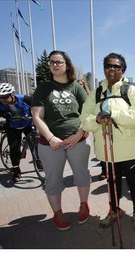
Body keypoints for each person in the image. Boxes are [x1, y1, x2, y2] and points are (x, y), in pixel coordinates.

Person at [80, 52, 135, 231]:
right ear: (104, 69)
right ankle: (114, 211)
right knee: (112, 184)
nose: (112, 69)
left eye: (117, 67)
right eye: (109, 66)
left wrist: (113, 115)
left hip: (129, 149)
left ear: (123, 70)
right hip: (105, 150)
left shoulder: (131, 91)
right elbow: (84, 121)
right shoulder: (95, 93)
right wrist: (97, 119)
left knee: (133, 182)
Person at [32, 50, 91, 231]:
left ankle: (83, 205)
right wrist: (50, 138)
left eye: (59, 62)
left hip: (77, 140)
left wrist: (79, 134)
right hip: (50, 144)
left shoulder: (76, 87)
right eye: (52, 62)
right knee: (53, 179)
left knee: (81, 174)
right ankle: (57, 213)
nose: (55, 65)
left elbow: (88, 113)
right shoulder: (43, 88)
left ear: (67, 65)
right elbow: (37, 116)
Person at [0, 83, 42, 182]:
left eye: (5, 97)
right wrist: (4, 114)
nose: (3, 100)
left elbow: (39, 106)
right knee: (14, 149)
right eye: (0, 97)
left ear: (12, 94)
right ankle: (16, 170)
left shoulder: (25, 99)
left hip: (27, 124)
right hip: (12, 127)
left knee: (35, 143)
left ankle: (38, 161)